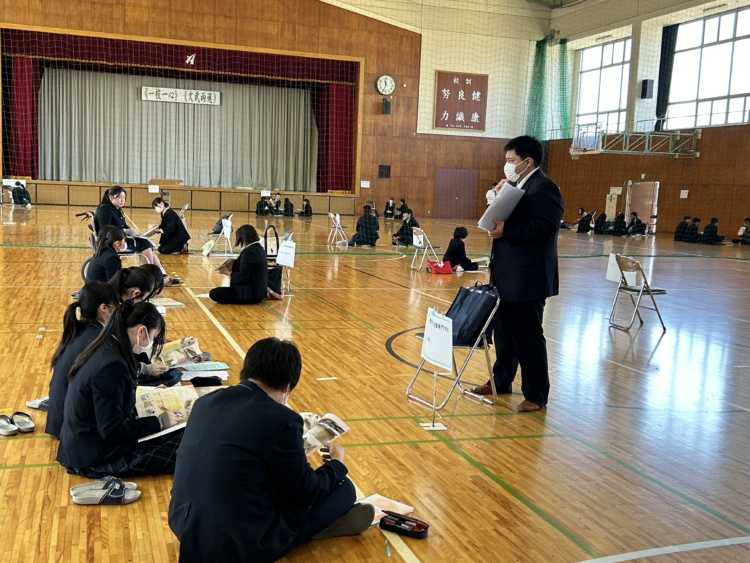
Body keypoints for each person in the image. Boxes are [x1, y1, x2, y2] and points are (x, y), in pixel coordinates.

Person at [169, 337, 373, 562]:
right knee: (344, 490)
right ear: (287, 388)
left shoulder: (205, 402)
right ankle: (319, 529)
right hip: (236, 541)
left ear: (246, 371)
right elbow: (308, 492)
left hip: (183, 523)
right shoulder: (282, 420)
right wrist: (336, 465)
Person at [470, 135, 563, 412]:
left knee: (527, 335)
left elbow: (546, 227)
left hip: (528, 277)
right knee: (504, 332)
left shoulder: (545, 187)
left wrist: (506, 230)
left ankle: (536, 393)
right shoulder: (517, 185)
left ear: (527, 161)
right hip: (506, 273)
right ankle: (501, 380)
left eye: (511, 161)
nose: (507, 165)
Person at [56, 301, 184, 478]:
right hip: (96, 457)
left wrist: (146, 393)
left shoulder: (106, 346)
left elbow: (112, 398)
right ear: (141, 331)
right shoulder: (111, 366)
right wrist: (160, 422)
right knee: (184, 437)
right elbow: (111, 430)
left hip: (84, 445)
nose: (151, 343)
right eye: (152, 338)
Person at [46, 282, 121, 439]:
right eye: (116, 306)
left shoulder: (82, 329)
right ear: (104, 308)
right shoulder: (97, 340)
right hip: (70, 426)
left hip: (59, 419)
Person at [94, 186, 172, 279]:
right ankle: (150, 276)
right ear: (111, 197)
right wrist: (127, 232)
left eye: (124, 198)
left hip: (121, 237)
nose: (122, 200)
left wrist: (132, 231)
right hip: (113, 242)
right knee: (145, 244)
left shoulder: (117, 209)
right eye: (119, 197)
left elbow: (124, 225)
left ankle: (162, 275)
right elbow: (106, 230)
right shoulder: (105, 210)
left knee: (147, 244)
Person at [210, 224, 268, 304]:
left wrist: (229, 273)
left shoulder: (249, 252)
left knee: (214, 293)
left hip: (248, 295)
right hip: (256, 293)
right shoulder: (259, 249)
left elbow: (242, 277)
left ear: (243, 239)